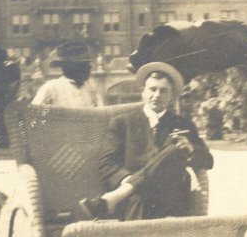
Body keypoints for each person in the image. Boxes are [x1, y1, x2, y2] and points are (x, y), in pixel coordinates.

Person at [80, 62, 213, 221]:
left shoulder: (182, 124)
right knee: (141, 195)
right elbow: (106, 163)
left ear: (171, 96)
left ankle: (114, 198)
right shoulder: (123, 123)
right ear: (142, 92)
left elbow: (208, 160)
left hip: (172, 194)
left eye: (163, 91)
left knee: (176, 150)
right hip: (135, 198)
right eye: (152, 89)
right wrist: (127, 180)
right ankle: (132, 190)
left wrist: (191, 149)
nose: (157, 95)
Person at [31, 41, 102, 107]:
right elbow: (35, 116)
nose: (90, 67)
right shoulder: (51, 88)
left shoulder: (90, 89)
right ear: (72, 67)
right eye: (85, 64)